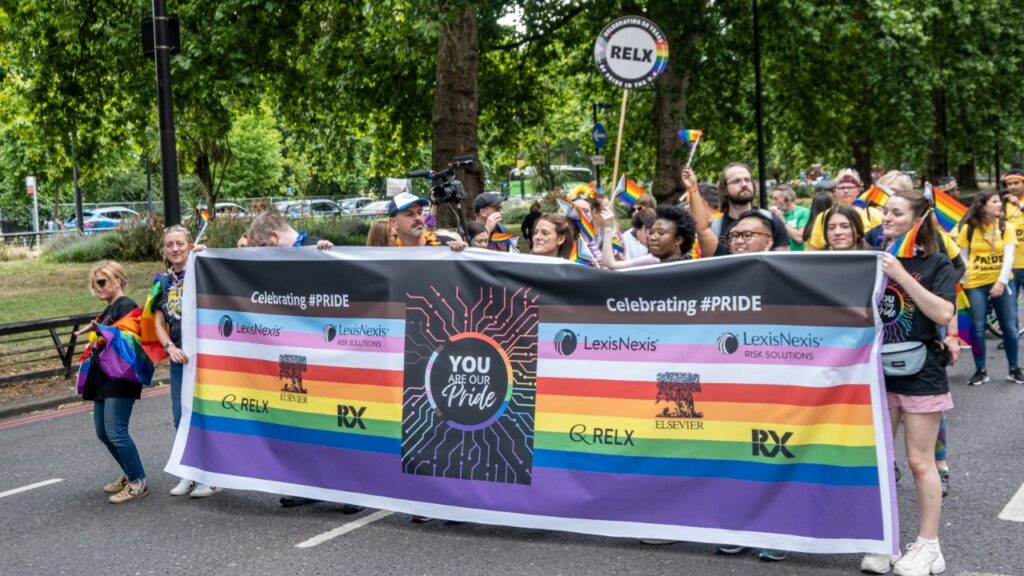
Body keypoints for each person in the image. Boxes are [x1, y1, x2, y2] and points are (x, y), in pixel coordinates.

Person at [861, 173, 955, 576]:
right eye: (885, 212)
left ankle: (929, 546)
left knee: (919, 462)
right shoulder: (871, 256)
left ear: (917, 219)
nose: (887, 218)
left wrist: (900, 275)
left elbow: (943, 313)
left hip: (921, 373)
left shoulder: (936, 263)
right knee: (879, 461)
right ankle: (885, 542)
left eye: (896, 213)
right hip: (876, 373)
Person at [151, 225, 222, 498]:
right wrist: (169, 347)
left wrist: (204, 257)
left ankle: (213, 476)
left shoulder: (201, 269)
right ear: (164, 251)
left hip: (205, 358)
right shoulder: (162, 281)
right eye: (170, 244)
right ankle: (189, 472)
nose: (175, 248)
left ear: (190, 244)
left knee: (206, 415)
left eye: (180, 243)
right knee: (180, 416)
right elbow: (158, 322)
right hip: (179, 356)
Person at [78, 261, 150, 503]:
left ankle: (137, 481)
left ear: (118, 281)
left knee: (116, 431)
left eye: (102, 282)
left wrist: (101, 331)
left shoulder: (128, 306)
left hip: (121, 376)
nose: (97, 288)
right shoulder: (109, 309)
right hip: (104, 377)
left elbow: (129, 339)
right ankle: (130, 472)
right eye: (94, 283)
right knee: (103, 431)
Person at [957, 189, 1021, 385]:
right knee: (977, 328)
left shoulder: (1005, 226)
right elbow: (963, 255)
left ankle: (1014, 368)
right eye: (994, 202)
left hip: (1003, 281)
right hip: (976, 283)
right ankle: (981, 370)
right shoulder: (968, 228)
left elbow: (1009, 256)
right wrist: (967, 277)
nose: (999, 204)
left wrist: (1001, 282)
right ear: (983, 205)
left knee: (1009, 327)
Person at [688, 163, 789, 256]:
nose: (744, 184)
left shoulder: (771, 219)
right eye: (736, 181)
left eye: (747, 180)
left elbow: (782, 262)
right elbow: (702, 230)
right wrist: (692, 187)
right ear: (725, 189)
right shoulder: (715, 227)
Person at [806, 168, 883, 250]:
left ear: (858, 190)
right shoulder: (823, 217)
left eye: (850, 187)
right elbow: (815, 249)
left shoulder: (873, 214)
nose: (846, 191)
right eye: (842, 188)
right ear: (835, 191)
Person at [599, 206, 694, 269]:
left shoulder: (690, 270)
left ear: (678, 240)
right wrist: (608, 229)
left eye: (661, 232)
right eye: (652, 232)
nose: (652, 237)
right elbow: (610, 264)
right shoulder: (654, 259)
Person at [388, 192, 466, 250]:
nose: (418, 218)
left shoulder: (447, 245)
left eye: (419, 212)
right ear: (394, 222)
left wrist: (462, 251)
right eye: (409, 214)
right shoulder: (391, 257)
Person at [999, 169, 1024, 300]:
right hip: (1010, 266)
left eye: (1016, 183)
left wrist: (1019, 205)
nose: (1012, 187)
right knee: (1010, 309)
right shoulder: (1003, 204)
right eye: (1009, 184)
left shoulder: (1017, 203)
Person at [248, 211, 334, 249]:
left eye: (263, 245)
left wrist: (327, 251)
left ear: (276, 237)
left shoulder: (317, 247)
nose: (262, 252)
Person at [770, 184, 810, 250]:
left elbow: (800, 238)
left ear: (787, 199)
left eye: (776, 199)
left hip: (799, 257)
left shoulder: (804, 212)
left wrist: (782, 220)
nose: (773, 203)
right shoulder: (779, 214)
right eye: (773, 199)